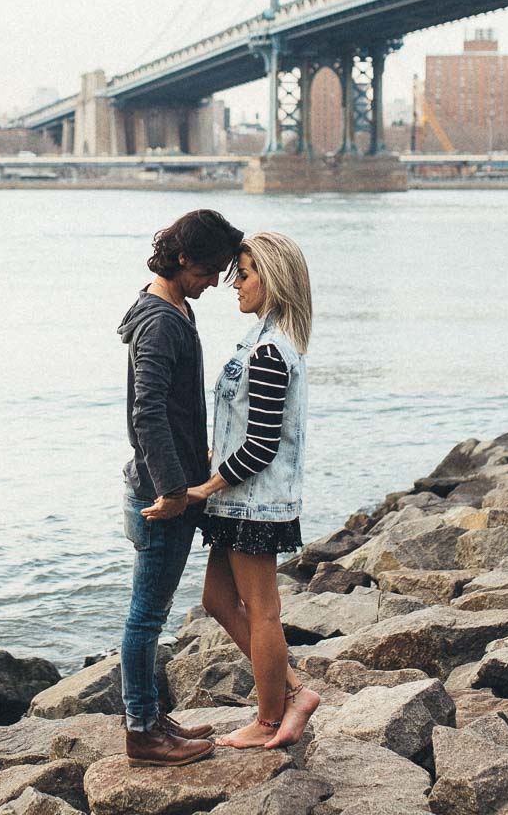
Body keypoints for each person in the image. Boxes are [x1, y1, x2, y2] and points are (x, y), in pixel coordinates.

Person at [183, 231, 320, 749]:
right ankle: (296, 693)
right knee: (218, 599)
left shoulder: (268, 351)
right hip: (239, 500)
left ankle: (269, 719)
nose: (234, 284)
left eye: (243, 274)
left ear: (273, 277)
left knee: (262, 611)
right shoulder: (264, 340)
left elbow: (260, 446)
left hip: (252, 502)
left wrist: (204, 488)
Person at [118, 208, 243, 767]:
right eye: (211, 269)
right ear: (184, 257)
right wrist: (173, 489)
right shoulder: (164, 320)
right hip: (159, 496)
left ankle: (150, 714)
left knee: (152, 612)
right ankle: (142, 731)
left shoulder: (171, 307)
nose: (216, 282)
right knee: (146, 616)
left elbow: (172, 408)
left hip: (166, 482)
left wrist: (202, 456)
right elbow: (146, 413)